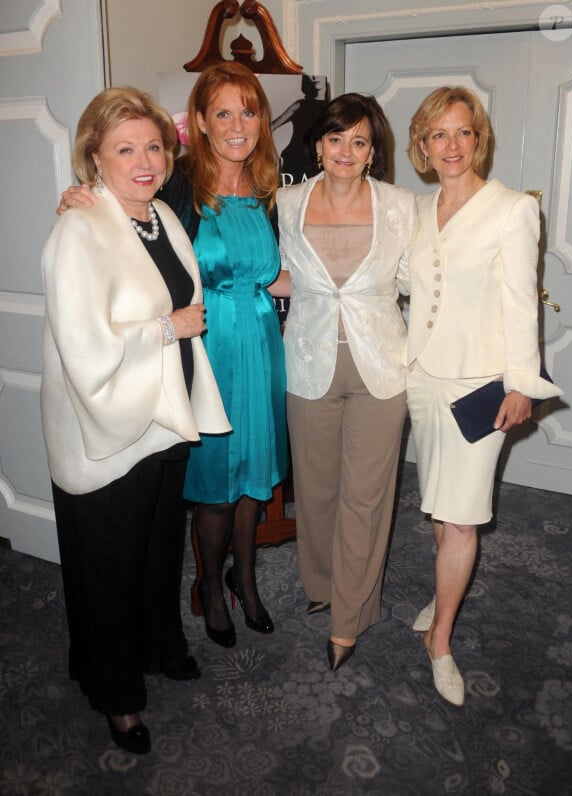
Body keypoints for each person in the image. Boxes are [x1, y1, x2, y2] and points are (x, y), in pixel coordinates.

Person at [57, 64, 288, 650]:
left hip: (260, 343)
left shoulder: (268, 186)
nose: (238, 124)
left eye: (250, 110)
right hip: (205, 349)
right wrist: (82, 200)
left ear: (262, 120)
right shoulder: (178, 184)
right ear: (202, 123)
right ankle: (210, 587)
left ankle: (246, 577)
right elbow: (132, 237)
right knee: (214, 478)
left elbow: (282, 271)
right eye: (223, 112)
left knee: (253, 477)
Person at [42, 87, 230, 754]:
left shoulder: (161, 217)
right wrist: (164, 328)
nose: (144, 160)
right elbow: (84, 346)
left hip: (163, 416)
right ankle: (115, 692)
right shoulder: (79, 229)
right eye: (125, 148)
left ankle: (159, 645)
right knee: (110, 565)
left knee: (157, 551)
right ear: (93, 157)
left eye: (153, 145)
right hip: (107, 430)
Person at [405, 86, 563, 706]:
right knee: (442, 508)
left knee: (464, 518)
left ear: (480, 139)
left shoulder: (512, 208)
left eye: (463, 132)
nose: (452, 145)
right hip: (422, 377)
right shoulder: (415, 211)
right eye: (438, 133)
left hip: (480, 386)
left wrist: (523, 382)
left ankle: (439, 641)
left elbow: (523, 302)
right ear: (422, 144)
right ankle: (443, 593)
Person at [271, 93, 417, 671]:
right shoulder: (286, 202)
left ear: (373, 149)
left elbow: (413, 281)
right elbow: (284, 277)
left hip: (380, 364)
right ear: (317, 145)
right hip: (308, 360)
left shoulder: (401, 206)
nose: (346, 151)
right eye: (335, 139)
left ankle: (348, 618)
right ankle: (326, 585)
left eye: (359, 141)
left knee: (366, 495)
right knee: (315, 489)